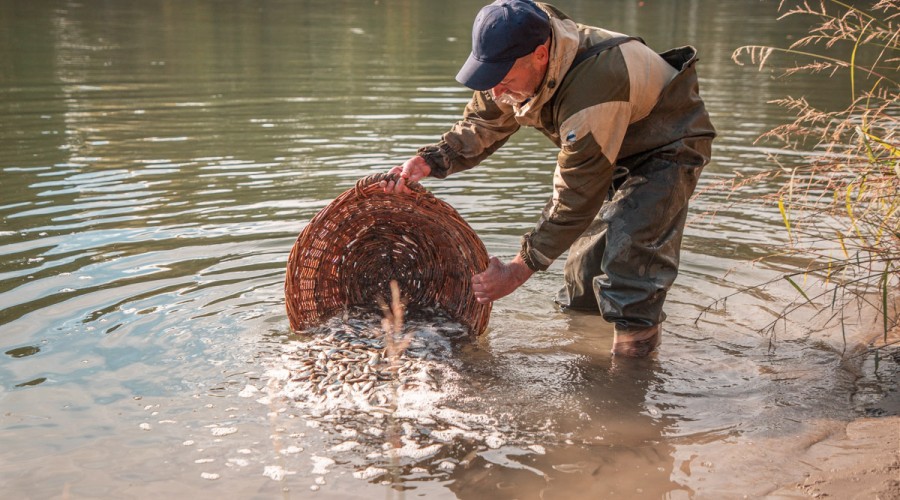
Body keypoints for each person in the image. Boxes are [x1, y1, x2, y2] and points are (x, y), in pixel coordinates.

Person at [382, 0, 715, 357]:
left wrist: (516, 269)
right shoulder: (512, 56)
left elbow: (574, 198)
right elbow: (485, 120)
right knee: (582, 278)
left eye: (504, 80)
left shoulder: (593, 87)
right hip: (605, 144)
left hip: (665, 146)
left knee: (630, 269)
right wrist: (431, 160)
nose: (495, 92)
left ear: (541, 56)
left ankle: (630, 379)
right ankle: (585, 351)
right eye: (489, 79)